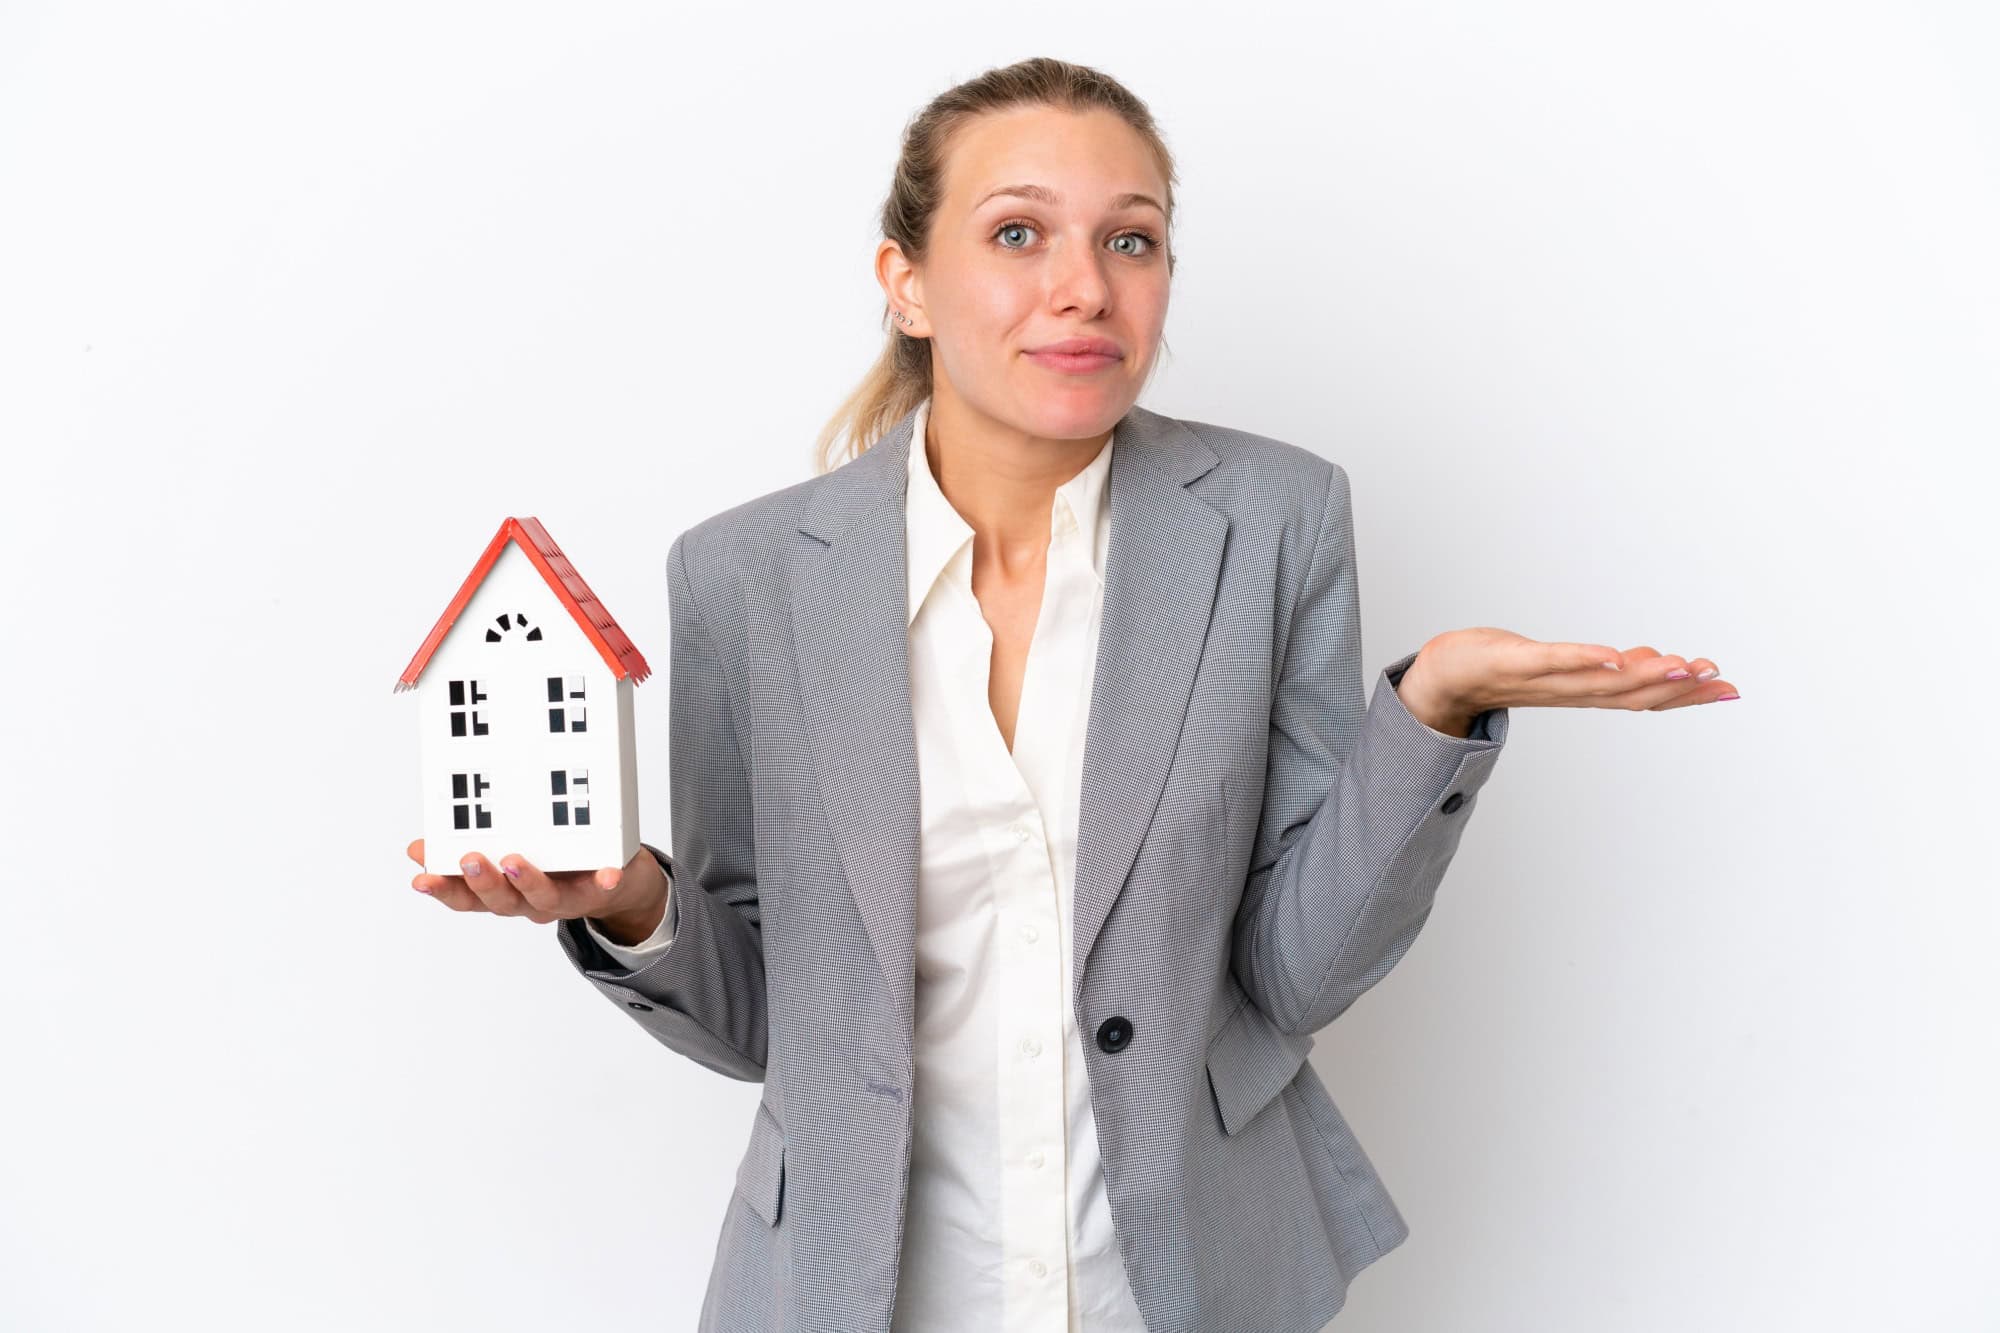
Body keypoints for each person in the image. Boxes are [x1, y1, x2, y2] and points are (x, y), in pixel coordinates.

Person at [406, 55, 1737, 1332]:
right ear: (908, 283)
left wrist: (1429, 712)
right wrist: (639, 905)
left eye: (1132, 240)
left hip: (1178, 1280)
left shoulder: (1276, 519)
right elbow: (772, 1021)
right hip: (856, 1289)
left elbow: (1294, 968)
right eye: (1019, 234)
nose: (1086, 289)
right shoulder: (745, 577)